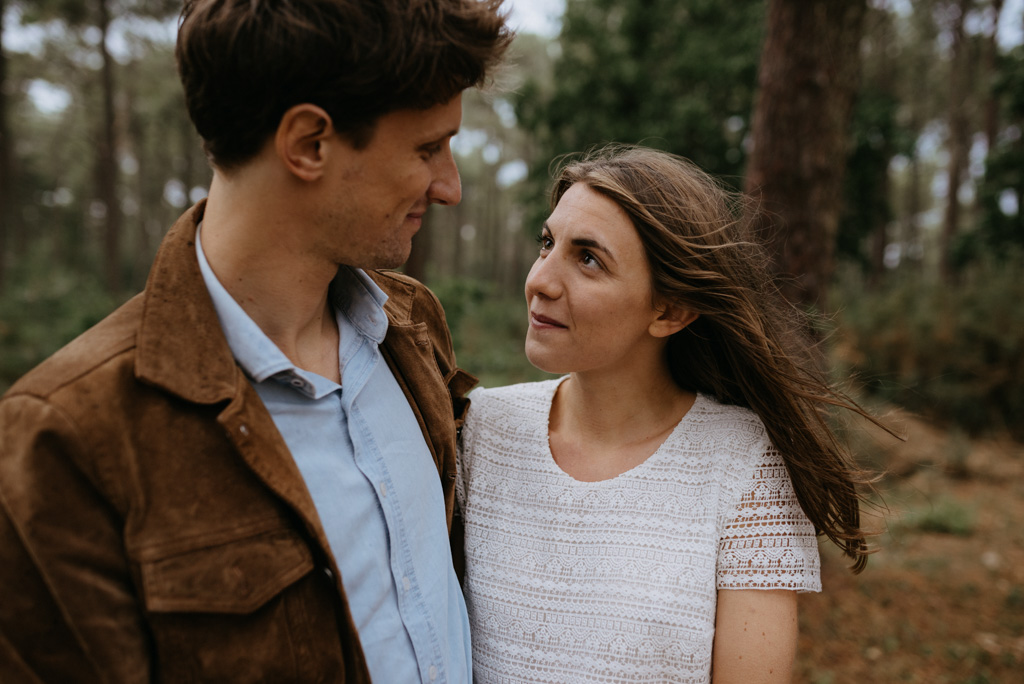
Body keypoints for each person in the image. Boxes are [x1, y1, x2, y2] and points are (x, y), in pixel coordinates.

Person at [0, 1, 511, 682]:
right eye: (426, 148)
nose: (448, 187)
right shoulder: (63, 440)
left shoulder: (411, 325)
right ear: (309, 144)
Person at [456, 145, 876, 683]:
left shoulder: (745, 465)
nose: (540, 280)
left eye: (588, 258)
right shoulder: (483, 430)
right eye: (547, 243)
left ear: (670, 310)